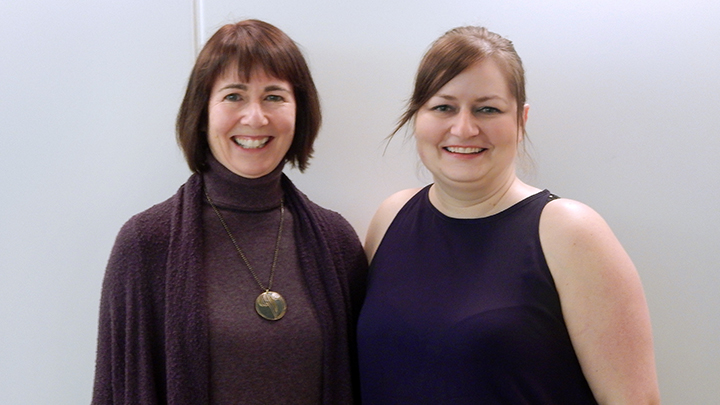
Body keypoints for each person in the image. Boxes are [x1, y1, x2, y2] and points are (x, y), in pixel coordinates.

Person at [357, 26, 660, 404]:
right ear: (418, 115)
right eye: (443, 107)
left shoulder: (569, 232)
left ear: (521, 119)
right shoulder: (391, 217)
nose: (464, 128)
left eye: (488, 109)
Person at [92, 19, 367, 404]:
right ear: (202, 112)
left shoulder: (336, 241)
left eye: (274, 96)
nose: (255, 117)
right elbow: (117, 389)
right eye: (234, 96)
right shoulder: (145, 242)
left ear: (299, 111)